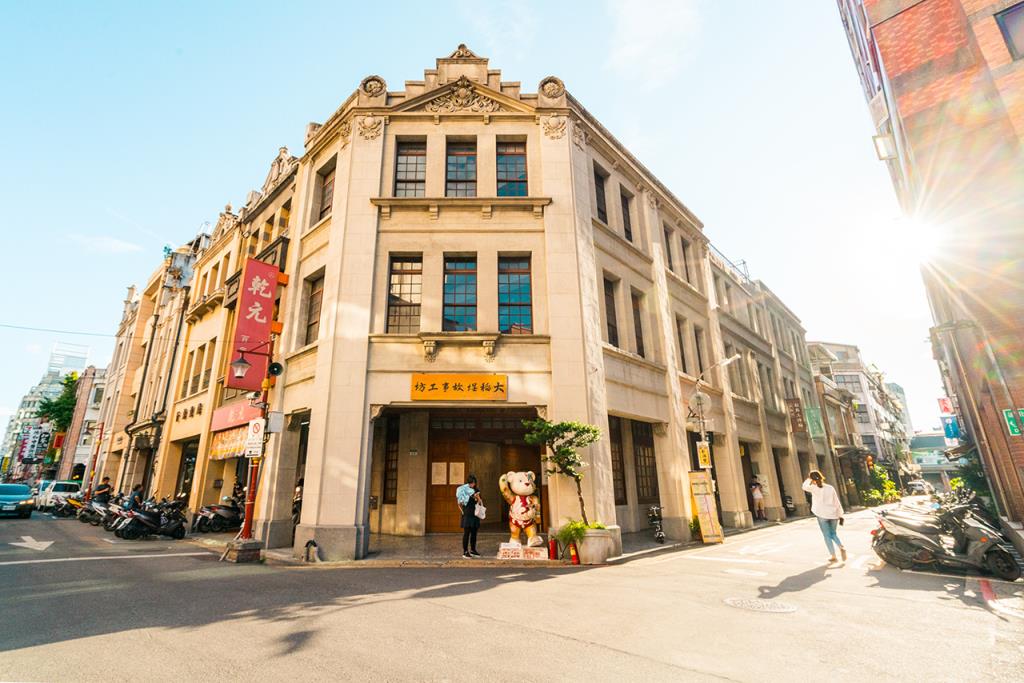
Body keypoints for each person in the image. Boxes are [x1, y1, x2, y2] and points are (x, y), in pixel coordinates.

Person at [802, 470, 846, 563]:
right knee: (833, 534)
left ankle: (833, 556)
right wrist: (840, 514)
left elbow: (804, 486)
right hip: (833, 514)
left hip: (821, 514)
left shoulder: (813, 488)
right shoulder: (830, 488)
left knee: (827, 535)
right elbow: (836, 502)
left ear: (812, 479)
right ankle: (841, 546)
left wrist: (809, 479)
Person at [456, 474, 483, 558]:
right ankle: (465, 551)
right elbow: (460, 502)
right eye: (471, 483)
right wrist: (462, 509)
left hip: (475, 514)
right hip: (467, 514)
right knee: (466, 533)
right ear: (468, 483)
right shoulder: (464, 490)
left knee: (474, 533)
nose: (472, 484)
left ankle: (473, 550)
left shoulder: (476, 490)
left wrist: (477, 497)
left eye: (474, 483)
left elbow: (480, 502)